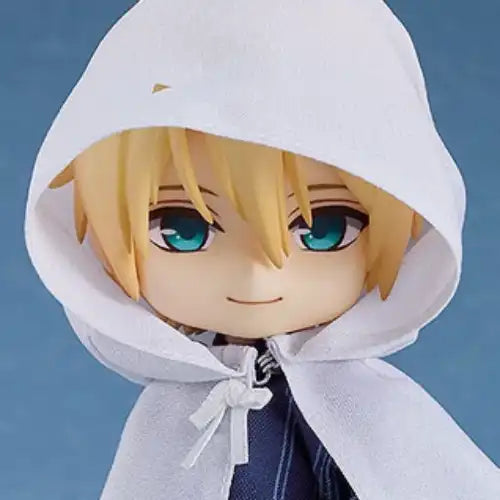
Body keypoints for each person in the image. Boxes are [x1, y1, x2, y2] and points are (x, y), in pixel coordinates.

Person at [25, 0, 499, 498]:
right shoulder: (174, 414)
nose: (258, 274)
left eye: (323, 230)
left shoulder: (365, 408)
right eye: (183, 229)